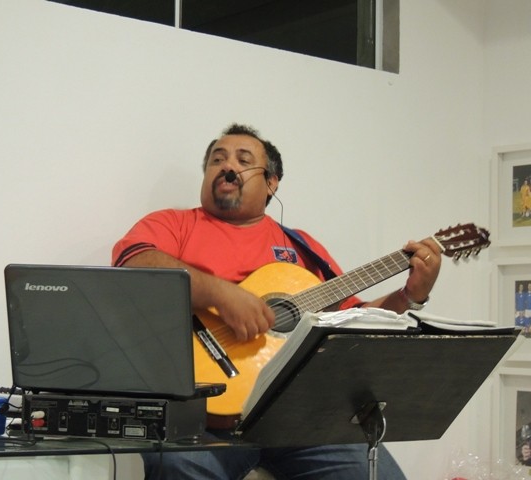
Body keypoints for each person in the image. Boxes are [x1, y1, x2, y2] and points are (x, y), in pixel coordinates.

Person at [112, 123, 442, 480]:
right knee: (180, 468)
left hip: (296, 418)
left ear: (271, 183)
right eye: (217, 160)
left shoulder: (302, 247)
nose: (227, 166)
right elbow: (134, 264)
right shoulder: (175, 223)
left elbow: (353, 321)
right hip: (197, 419)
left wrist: (409, 295)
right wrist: (222, 294)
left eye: (243, 160)